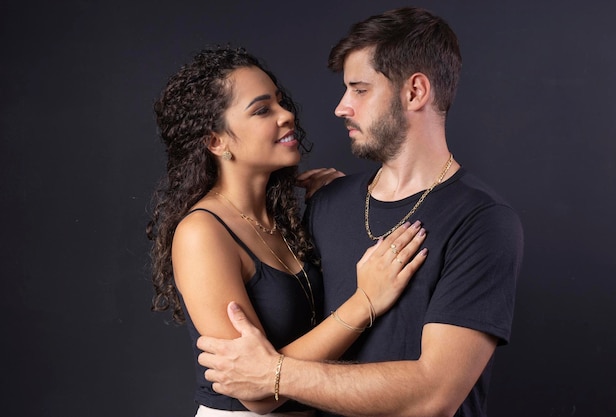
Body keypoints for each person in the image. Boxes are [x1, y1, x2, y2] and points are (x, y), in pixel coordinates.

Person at [196, 7, 524, 417]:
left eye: (360, 89)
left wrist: (271, 374)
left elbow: (434, 395)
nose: (341, 107)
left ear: (415, 92)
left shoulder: (482, 220)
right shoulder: (327, 201)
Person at [146, 45, 430, 416]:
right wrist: (366, 302)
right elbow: (256, 392)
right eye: (263, 110)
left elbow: (279, 364)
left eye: (281, 103)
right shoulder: (202, 233)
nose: (287, 115)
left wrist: (338, 204)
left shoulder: (286, 221)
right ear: (217, 141)